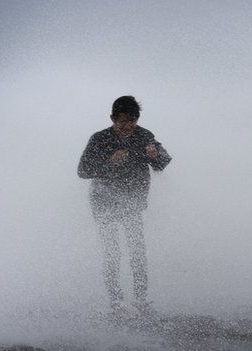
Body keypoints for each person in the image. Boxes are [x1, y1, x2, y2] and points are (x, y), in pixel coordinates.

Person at [77, 96, 171, 318]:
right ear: (112, 119)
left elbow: (163, 162)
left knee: (137, 251)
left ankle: (141, 301)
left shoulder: (144, 136)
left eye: (132, 121)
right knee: (112, 254)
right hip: (104, 201)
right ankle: (116, 304)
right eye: (122, 122)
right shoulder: (100, 139)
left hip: (133, 202)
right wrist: (109, 161)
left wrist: (156, 155)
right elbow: (82, 171)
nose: (128, 127)